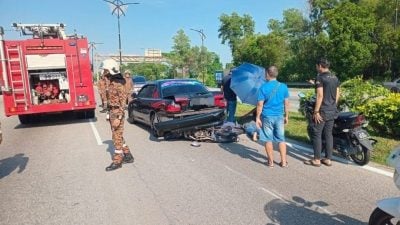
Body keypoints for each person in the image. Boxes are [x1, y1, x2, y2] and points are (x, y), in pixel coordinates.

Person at [304, 58, 340, 167]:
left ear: (320, 66)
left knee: (317, 134)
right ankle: (328, 159)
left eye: (316, 66)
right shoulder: (335, 77)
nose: (316, 67)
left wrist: (316, 111)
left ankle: (317, 159)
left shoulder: (320, 77)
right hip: (332, 110)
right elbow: (338, 94)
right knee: (329, 134)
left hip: (322, 110)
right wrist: (333, 106)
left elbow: (320, 96)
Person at [100, 59, 134, 171]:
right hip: (112, 112)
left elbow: (123, 103)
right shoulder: (111, 83)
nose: (104, 72)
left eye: (105, 70)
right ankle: (128, 155)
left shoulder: (119, 84)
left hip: (117, 113)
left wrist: (118, 117)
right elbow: (110, 100)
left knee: (116, 137)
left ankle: (117, 160)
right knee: (117, 135)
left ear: (110, 70)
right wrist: (109, 114)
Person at [256, 66, 289, 168]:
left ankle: (270, 162)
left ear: (267, 74)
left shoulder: (263, 88)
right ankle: (283, 162)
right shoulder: (283, 86)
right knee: (281, 139)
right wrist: (286, 116)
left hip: (267, 116)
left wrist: (257, 117)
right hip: (279, 116)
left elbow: (260, 104)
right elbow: (286, 103)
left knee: (268, 139)